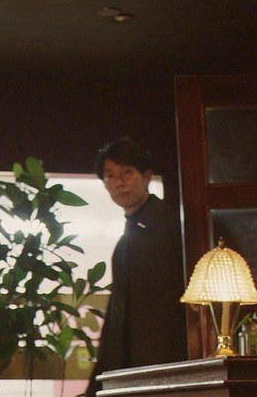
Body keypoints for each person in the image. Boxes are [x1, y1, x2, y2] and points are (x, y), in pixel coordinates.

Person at [84, 137, 187, 397]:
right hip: (132, 369)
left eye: (128, 172)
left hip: (171, 363)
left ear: (147, 176)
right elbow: (117, 315)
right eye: (110, 176)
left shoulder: (174, 224)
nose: (119, 182)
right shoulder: (125, 242)